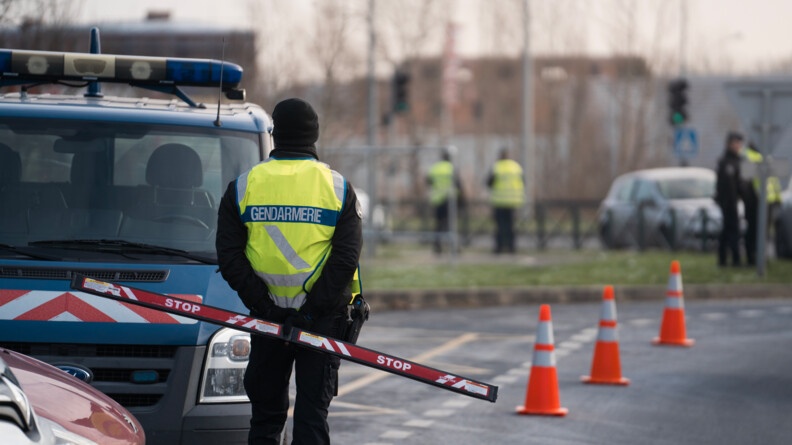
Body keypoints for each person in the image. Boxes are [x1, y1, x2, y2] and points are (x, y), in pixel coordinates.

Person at [216, 98, 362, 445]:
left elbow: (229, 256)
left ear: (274, 133)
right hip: (322, 322)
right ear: (314, 135)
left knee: (265, 418)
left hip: (267, 320)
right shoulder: (337, 188)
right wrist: (310, 312)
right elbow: (345, 259)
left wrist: (268, 309)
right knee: (312, 417)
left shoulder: (243, 187)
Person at [741, 143, 783, 265]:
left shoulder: (765, 156)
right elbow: (748, 181)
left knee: (764, 232)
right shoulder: (749, 155)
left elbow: (773, 180)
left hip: (767, 201)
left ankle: (761, 258)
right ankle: (753, 257)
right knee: (755, 231)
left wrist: (777, 197)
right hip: (755, 202)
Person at [486, 148, 525, 253]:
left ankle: (499, 248)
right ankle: (512, 248)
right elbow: (523, 182)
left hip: (499, 201)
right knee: (511, 226)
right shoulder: (516, 167)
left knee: (499, 226)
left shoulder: (496, 167)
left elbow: (489, 183)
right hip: (513, 201)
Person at [715, 131, 744, 267]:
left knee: (728, 231)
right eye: (736, 143)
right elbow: (727, 186)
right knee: (732, 232)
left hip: (733, 202)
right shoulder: (727, 162)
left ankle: (724, 260)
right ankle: (734, 260)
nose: (738, 146)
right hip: (728, 203)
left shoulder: (736, 161)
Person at [426, 150, 464, 254]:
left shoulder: (435, 168)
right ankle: (454, 247)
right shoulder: (451, 168)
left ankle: (437, 246)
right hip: (450, 200)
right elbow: (458, 184)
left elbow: (428, 181)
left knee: (438, 225)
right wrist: (461, 200)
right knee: (451, 225)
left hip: (438, 200)